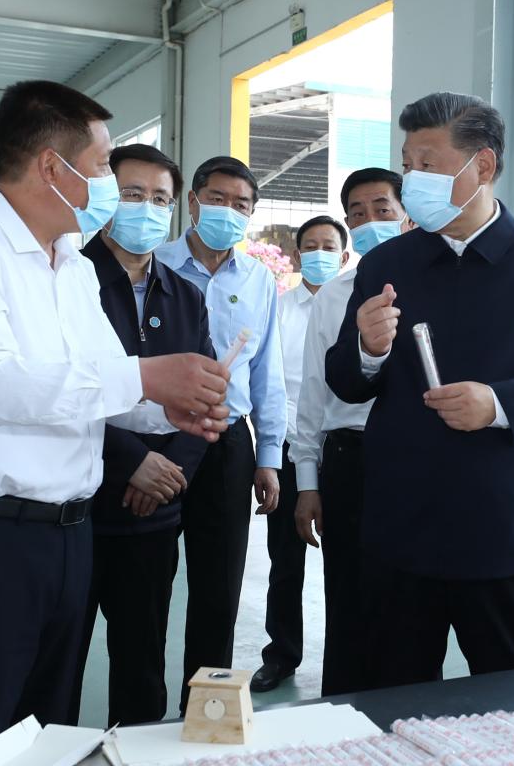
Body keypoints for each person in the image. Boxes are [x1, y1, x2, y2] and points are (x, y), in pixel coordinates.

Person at [0, 80, 231, 754]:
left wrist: (169, 408)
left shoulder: (71, 266)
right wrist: (144, 376)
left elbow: (102, 383)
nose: (109, 183)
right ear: (54, 166)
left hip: (67, 539)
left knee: (46, 732)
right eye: (104, 165)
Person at [325, 92, 514, 688]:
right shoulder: (389, 265)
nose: (413, 179)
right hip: (403, 534)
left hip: (511, 537)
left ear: (481, 166)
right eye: (408, 163)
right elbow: (345, 382)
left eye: (427, 163)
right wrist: (369, 348)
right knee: (392, 704)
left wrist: (500, 404)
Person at [69, 144, 216, 727]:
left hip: (154, 511)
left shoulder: (186, 294)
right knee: (59, 662)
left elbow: (208, 395)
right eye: (133, 194)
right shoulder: (70, 277)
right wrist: (131, 461)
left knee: (142, 661)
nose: (148, 208)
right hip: (78, 504)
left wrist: (169, 471)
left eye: (160, 198)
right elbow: (56, 389)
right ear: (105, 198)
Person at [156, 156, 286, 711]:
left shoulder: (258, 280)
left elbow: (267, 373)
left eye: (242, 205)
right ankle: (137, 710)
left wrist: (269, 455)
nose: (228, 212)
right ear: (192, 202)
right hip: (157, 441)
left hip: (229, 443)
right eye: (218, 199)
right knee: (148, 581)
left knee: (219, 586)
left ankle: (201, 711)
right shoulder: (153, 265)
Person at [289, 168, 411, 696]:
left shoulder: (438, 282)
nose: (370, 221)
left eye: (381, 208)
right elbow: (313, 396)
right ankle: (341, 715)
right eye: (356, 214)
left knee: (412, 604)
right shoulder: (333, 296)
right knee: (348, 601)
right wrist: (308, 482)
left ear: (406, 212)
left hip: (416, 461)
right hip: (349, 463)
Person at [252, 215, 349, 693]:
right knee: (285, 560)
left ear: (344, 255)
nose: (318, 252)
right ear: (295, 256)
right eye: (309, 245)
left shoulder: (359, 306)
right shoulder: (281, 308)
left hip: (346, 454)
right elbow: (272, 384)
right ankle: (282, 654)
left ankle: (348, 658)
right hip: (291, 451)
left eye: (328, 245)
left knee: (349, 562)